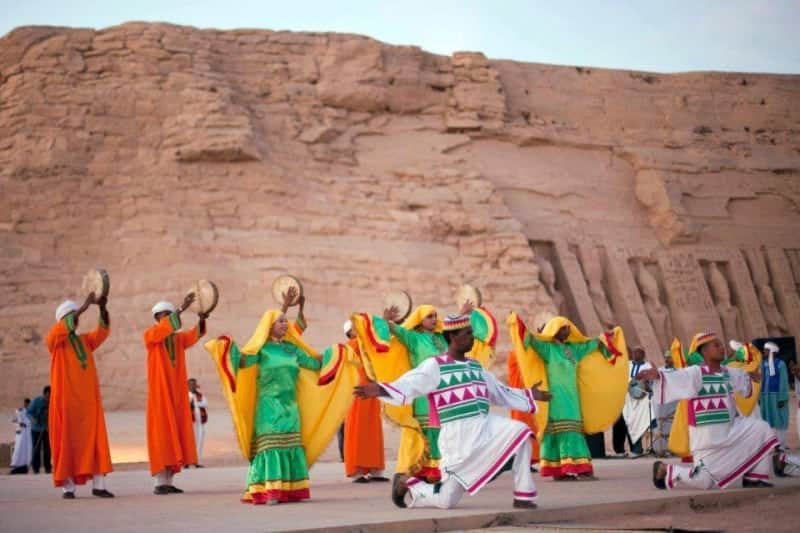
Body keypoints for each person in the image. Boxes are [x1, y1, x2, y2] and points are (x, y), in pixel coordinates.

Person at [355, 314, 549, 509]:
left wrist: (529, 395)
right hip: (457, 440)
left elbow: (500, 392)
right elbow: (410, 383)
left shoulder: (475, 366)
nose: (472, 337)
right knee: (446, 501)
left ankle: (523, 495)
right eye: (468, 333)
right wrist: (380, 389)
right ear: (453, 337)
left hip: (485, 429)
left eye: (472, 333)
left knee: (521, 432)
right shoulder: (435, 366)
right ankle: (408, 483)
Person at [204, 288, 357, 505]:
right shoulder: (261, 350)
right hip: (268, 406)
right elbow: (241, 363)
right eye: (281, 321)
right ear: (270, 326)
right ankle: (269, 491)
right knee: (271, 446)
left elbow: (316, 364)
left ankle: (290, 490)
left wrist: (339, 353)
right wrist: (224, 348)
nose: (285, 324)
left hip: (290, 407)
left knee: (289, 445)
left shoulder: (292, 350)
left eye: (286, 321)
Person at [641, 333, 779, 490]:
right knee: (704, 481)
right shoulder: (695, 373)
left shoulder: (727, 372)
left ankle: (755, 477)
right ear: (704, 352)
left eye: (721, 344)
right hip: (707, 443)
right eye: (716, 345)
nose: (722, 348)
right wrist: (659, 375)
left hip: (731, 433)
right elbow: (677, 377)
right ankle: (666, 470)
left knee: (762, 429)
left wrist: (751, 375)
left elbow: (742, 377)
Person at [509, 314, 626, 481]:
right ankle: (573, 470)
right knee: (564, 430)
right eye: (563, 328)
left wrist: (607, 337)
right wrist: (518, 324)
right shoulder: (548, 349)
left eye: (568, 328)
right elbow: (530, 340)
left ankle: (569, 468)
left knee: (573, 429)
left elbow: (591, 345)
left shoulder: (573, 350)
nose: (567, 331)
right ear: (555, 331)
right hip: (555, 399)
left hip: (572, 397)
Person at [47, 295, 114, 498]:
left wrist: (102, 309)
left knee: (96, 442)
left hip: (88, 403)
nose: (75, 319)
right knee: (67, 442)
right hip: (66, 402)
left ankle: (99, 486)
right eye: (70, 316)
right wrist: (84, 306)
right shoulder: (55, 341)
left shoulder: (85, 340)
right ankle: (69, 488)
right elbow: (56, 333)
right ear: (62, 320)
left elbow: (102, 333)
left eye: (75, 315)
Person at [144, 293, 207, 495]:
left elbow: (195, 334)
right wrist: (180, 309)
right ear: (156, 318)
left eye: (170, 315)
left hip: (176, 394)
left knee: (176, 433)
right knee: (162, 434)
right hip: (160, 394)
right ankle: (158, 482)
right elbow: (162, 331)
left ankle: (168, 482)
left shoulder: (178, 339)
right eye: (164, 315)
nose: (169, 319)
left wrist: (202, 318)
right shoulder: (151, 336)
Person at [342, 320, 387, 483]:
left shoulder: (368, 344)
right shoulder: (351, 346)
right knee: (357, 429)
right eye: (356, 328)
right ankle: (357, 470)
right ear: (350, 333)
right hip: (357, 392)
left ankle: (375, 469)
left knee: (373, 430)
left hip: (372, 390)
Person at [612, 347, 652, 458]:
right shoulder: (627, 364)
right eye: (634, 353)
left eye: (638, 353)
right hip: (624, 398)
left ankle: (636, 449)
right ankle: (619, 450)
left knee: (635, 424)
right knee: (619, 423)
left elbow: (650, 381)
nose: (635, 354)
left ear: (643, 354)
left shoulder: (647, 366)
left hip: (639, 401)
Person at [508, 350, 539, 471]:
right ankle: (522, 461)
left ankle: (527, 460)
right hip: (520, 397)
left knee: (529, 428)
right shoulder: (517, 353)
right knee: (523, 428)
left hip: (526, 397)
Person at [758, 342, 789, 447]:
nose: (764, 352)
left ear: (772, 352)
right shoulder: (763, 364)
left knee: (779, 419)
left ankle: (782, 445)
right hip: (765, 397)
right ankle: (771, 444)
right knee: (767, 420)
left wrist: (782, 398)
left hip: (777, 397)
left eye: (766, 350)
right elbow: (760, 380)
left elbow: (784, 381)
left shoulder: (781, 364)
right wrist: (759, 397)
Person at [652, 350, 677, 457]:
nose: (667, 359)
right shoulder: (660, 371)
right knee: (660, 427)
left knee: (672, 426)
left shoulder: (678, 371)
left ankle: (673, 448)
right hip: (661, 404)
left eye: (669, 357)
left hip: (673, 403)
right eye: (666, 357)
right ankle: (660, 450)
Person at [27, 386, 51, 475]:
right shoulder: (36, 401)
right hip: (36, 429)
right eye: (47, 396)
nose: (49, 398)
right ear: (44, 394)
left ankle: (48, 468)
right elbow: (28, 412)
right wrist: (33, 419)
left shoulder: (53, 402)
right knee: (36, 449)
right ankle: (36, 468)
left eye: (50, 396)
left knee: (47, 449)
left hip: (47, 429)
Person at [188, 378, 209, 468]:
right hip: (190, 423)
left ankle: (197, 461)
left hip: (200, 423)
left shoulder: (200, 395)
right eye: (191, 384)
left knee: (199, 441)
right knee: (189, 441)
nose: (193, 386)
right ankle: (187, 462)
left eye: (194, 384)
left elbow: (205, 403)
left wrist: (195, 404)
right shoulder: (186, 395)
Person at [10, 398, 33, 474]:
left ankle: (26, 463)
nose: (28, 406)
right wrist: (19, 424)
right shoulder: (20, 411)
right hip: (21, 433)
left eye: (29, 404)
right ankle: (16, 463)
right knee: (19, 447)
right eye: (27, 404)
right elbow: (14, 420)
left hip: (28, 434)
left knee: (27, 449)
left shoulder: (31, 412)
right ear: (25, 404)